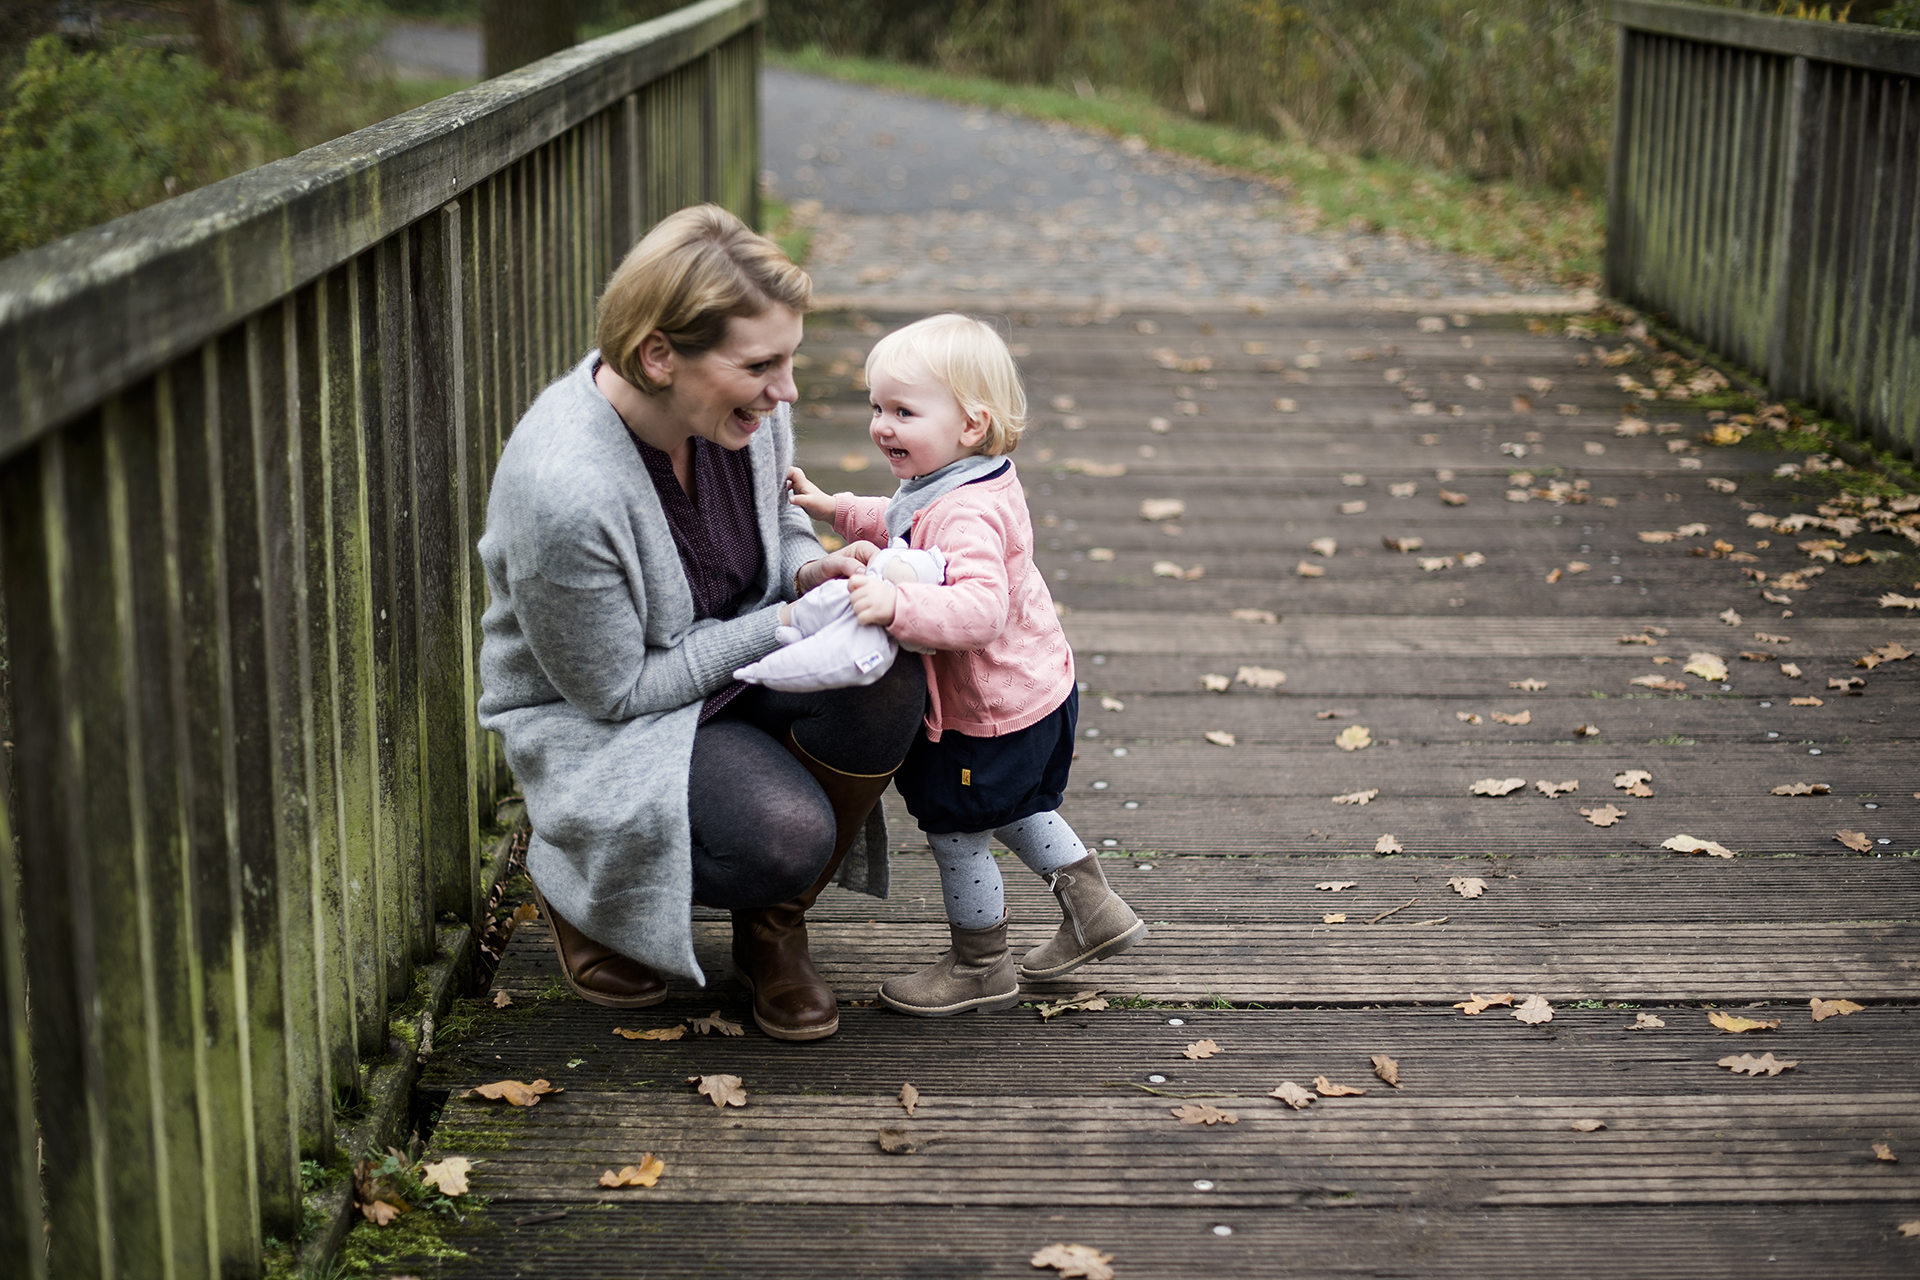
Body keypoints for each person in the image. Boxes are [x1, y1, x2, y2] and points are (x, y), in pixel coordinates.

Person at [476, 204, 927, 1042]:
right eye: (763, 364)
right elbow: (616, 692)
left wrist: (809, 567)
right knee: (785, 837)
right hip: (612, 719)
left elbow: (781, 520)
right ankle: (581, 878)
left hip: (737, 662)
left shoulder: (735, 407)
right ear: (658, 356)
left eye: (789, 359)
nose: (788, 390)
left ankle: (771, 929)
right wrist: (784, 623)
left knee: (892, 670)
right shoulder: (564, 491)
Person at [787, 313, 1147, 1017]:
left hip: (984, 711)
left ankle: (980, 964)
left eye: (902, 411)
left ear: (971, 425)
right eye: (876, 408)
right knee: (1014, 806)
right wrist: (834, 510)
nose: (881, 426)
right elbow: (900, 519)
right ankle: (1095, 909)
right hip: (1031, 693)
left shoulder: (965, 513)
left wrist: (895, 606)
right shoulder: (964, 480)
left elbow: (981, 611)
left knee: (957, 831)